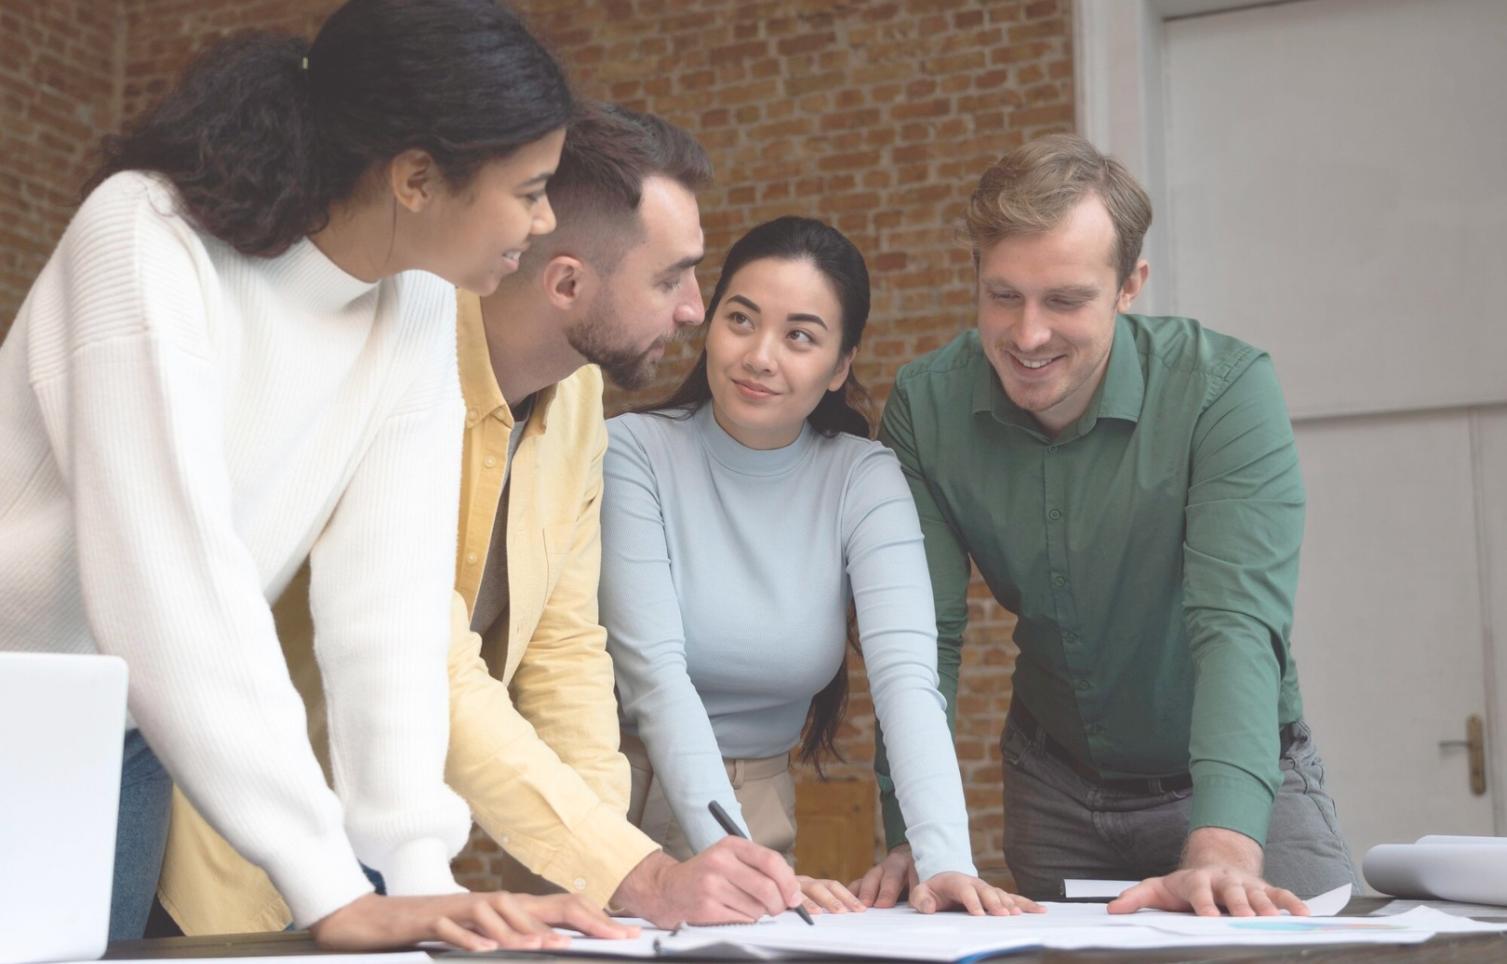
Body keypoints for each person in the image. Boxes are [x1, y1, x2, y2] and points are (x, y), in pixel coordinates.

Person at [0, 0, 629, 951]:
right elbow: (169, 578)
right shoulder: (143, 236)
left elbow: (391, 608)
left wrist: (417, 881)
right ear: (417, 177)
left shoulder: (415, 304)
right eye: (531, 189)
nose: (543, 223)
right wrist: (331, 889)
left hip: (124, 726)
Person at [157, 104, 807, 934]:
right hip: (235, 830)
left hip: (392, 843)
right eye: (670, 278)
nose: (693, 310)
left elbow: (564, 649)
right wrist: (635, 871)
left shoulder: (575, 398)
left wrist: (612, 876)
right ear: (566, 282)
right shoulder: (388, 354)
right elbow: (431, 661)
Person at [863, 133, 1358, 916]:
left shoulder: (1222, 393)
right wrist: (912, 837)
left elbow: (1235, 623)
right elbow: (920, 640)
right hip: (1056, 789)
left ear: (1130, 285)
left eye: (1064, 300)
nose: (1027, 335)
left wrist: (1224, 842)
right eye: (1003, 296)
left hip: (1235, 781)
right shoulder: (925, 406)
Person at [598, 216, 1041, 917]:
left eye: (799, 335)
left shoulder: (861, 479)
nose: (760, 356)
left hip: (758, 804)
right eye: (740, 320)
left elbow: (905, 680)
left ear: (839, 366)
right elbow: (654, 676)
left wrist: (944, 860)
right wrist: (735, 860)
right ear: (708, 325)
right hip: (612, 811)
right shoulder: (630, 453)